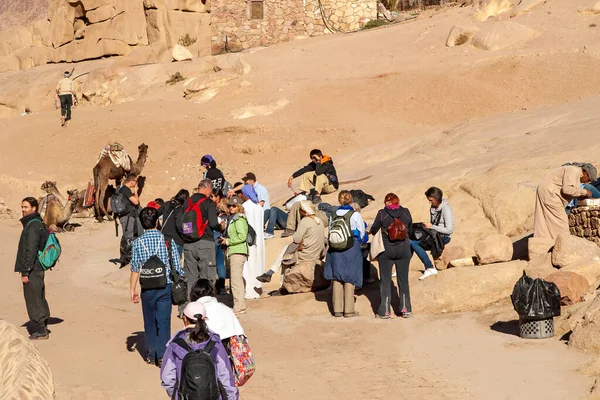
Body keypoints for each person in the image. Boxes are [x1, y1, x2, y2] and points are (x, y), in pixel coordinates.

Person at [130, 207, 184, 367]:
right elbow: (176, 263)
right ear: (157, 221)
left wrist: (132, 289)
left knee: (149, 321)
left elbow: (135, 267)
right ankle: (162, 355)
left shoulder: (137, 242)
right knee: (164, 321)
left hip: (147, 287)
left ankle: (151, 353)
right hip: (164, 286)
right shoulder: (167, 240)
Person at [160, 302, 238, 400]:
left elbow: (167, 378)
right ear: (204, 319)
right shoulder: (214, 341)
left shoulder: (175, 343)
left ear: (184, 318)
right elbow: (225, 375)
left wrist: (176, 394)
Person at [257, 201, 325, 287]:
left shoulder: (305, 221)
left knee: (285, 257)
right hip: (316, 253)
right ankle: (269, 273)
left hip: (306, 255)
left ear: (304, 211)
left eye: (300, 209)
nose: (299, 211)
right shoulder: (319, 221)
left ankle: (280, 284)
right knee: (286, 250)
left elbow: (296, 239)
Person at [370, 193, 413, 319]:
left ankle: (385, 310)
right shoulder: (405, 212)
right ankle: (406, 308)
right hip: (404, 249)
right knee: (403, 280)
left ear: (387, 202)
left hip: (386, 250)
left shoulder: (382, 213)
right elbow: (409, 228)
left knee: (385, 280)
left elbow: (374, 229)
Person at [324, 191, 365, 317]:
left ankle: (337, 309)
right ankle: (349, 310)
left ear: (339, 200)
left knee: (337, 276)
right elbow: (362, 234)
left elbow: (330, 229)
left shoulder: (333, 214)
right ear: (351, 199)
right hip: (351, 247)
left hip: (335, 248)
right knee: (350, 276)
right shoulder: (355, 215)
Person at [15, 197, 51, 340]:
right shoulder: (37, 223)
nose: (23, 210)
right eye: (22, 207)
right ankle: (44, 324)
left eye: (26, 207)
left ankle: (41, 330)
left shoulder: (32, 226)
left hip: (33, 268)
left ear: (34, 208)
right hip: (38, 267)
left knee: (33, 298)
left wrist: (25, 271)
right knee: (39, 296)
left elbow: (30, 250)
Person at [183, 179, 224, 304]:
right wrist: (220, 227)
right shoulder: (208, 202)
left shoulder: (187, 202)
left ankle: (191, 306)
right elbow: (212, 223)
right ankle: (207, 306)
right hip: (205, 242)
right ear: (207, 188)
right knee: (207, 276)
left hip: (188, 243)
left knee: (191, 277)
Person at [535, 163, 597, 240]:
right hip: (550, 194)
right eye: (589, 179)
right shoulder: (573, 171)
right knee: (562, 223)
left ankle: (546, 243)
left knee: (547, 222)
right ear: (585, 174)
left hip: (547, 191)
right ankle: (564, 245)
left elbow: (569, 190)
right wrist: (585, 192)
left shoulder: (575, 173)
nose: (587, 182)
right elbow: (567, 189)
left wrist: (579, 195)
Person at [411, 187, 454, 280]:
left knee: (414, 243)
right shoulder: (433, 208)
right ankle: (402, 268)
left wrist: (432, 227)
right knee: (411, 238)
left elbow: (449, 230)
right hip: (434, 234)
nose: (430, 203)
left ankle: (429, 267)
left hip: (444, 237)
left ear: (436, 198)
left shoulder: (446, 209)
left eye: (431, 200)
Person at [189, 279, 245, 344]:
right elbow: (240, 334)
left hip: (207, 348)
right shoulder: (226, 308)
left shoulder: (194, 311)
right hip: (229, 347)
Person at [220, 196, 249, 314]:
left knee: (236, 280)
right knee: (236, 279)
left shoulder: (240, 220)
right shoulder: (234, 219)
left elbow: (242, 236)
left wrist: (227, 241)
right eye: (230, 206)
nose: (231, 208)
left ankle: (239, 307)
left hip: (238, 251)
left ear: (239, 207)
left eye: (234, 206)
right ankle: (239, 305)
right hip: (234, 250)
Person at [240, 185, 265, 300]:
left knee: (248, 264)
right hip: (258, 240)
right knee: (258, 262)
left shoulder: (244, 207)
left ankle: (249, 290)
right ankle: (258, 288)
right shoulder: (259, 207)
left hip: (248, 240)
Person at [118, 173, 141, 267]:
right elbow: (136, 202)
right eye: (135, 181)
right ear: (131, 181)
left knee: (128, 236)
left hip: (126, 217)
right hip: (127, 217)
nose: (136, 183)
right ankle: (127, 259)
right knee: (129, 237)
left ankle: (125, 258)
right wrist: (136, 192)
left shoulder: (121, 189)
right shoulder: (125, 190)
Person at [158, 189, 189, 257]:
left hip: (164, 238)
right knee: (175, 265)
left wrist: (158, 227)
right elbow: (179, 225)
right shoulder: (180, 208)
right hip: (176, 240)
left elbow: (156, 214)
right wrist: (185, 235)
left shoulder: (167, 204)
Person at [211, 189, 228, 295]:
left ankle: (214, 287)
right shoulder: (226, 205)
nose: (211, 198)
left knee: (212, 263)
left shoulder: (215, 206)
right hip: (220, 237)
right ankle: (221, 288)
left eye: (213, 196)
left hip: (213, 236)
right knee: (220, 263)